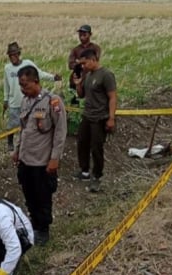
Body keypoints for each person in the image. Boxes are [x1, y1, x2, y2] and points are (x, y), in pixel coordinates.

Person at [12, 66, 67, 246]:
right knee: (29, 195)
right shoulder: (26, 102)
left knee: (42, 196)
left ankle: (43, 229)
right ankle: (33, 225)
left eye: (25, 85)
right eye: (20, 85)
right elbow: (23, 129)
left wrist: (54, 159)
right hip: (26, 159)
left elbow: (60, 132)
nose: (22, 89)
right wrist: (17, 150)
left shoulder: (53, 102)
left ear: (36, 81)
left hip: (42, 161)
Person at [72, 48, 117, 193]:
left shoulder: (106, 75)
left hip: (100, 118)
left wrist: (111, 118)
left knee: (96, 148)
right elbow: (81, 96)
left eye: (85, 63)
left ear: (93, 59)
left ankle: (97, 176)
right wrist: (78, 83)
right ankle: (84, 171)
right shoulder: (88, 76)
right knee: (82, 143)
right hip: (87, 115)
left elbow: (112, 97)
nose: (83, 66)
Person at [3, 42, 61, 152]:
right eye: (10, 55)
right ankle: (10, 142)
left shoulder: (27, 64)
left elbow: (39, 74)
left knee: (27, 124)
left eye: (15, 54)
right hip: (14, 101)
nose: (12, 57)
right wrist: (6, 100)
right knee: (12, 125)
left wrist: (53, 78)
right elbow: (6, 84)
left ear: (19, 54)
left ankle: (25, 142)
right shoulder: (7, 68)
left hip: (28, 101)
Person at [68, 24, 102, 105]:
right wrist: (80, 64)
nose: (81, 37)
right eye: (80, 35)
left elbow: (95, 62)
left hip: (91, 76)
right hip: (78, 76)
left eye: (84, 35)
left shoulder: (96, 48)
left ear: (90, 35)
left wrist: (78, 62)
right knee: (75, 101)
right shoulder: (75, 49)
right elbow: (70, 65)